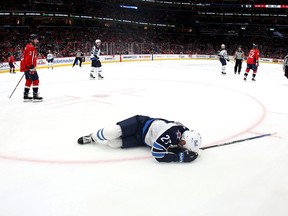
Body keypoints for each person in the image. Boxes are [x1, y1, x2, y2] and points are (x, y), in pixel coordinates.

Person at [77, 115, 202, 163]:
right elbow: (157, 154)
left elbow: (173, 146)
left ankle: (106, 138)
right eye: (183, 145)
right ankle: (92, 137)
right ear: (183, 139)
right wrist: (179, 157)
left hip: (142, 140)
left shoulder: (185, 133)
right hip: (140, 124)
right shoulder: (172, 133)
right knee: (111, 132)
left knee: (113, 144)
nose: (182, 146)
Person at [20, 34, 43, 102]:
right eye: (35, 39)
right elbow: (28, 58)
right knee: (36, 79)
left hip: (26, 67)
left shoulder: (28, 46)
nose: (37, 41)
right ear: (32, 40)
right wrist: (31, 66)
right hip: (29, 67)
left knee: (28, 80)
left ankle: (25, 95)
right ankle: (35, 95)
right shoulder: (31, 47)